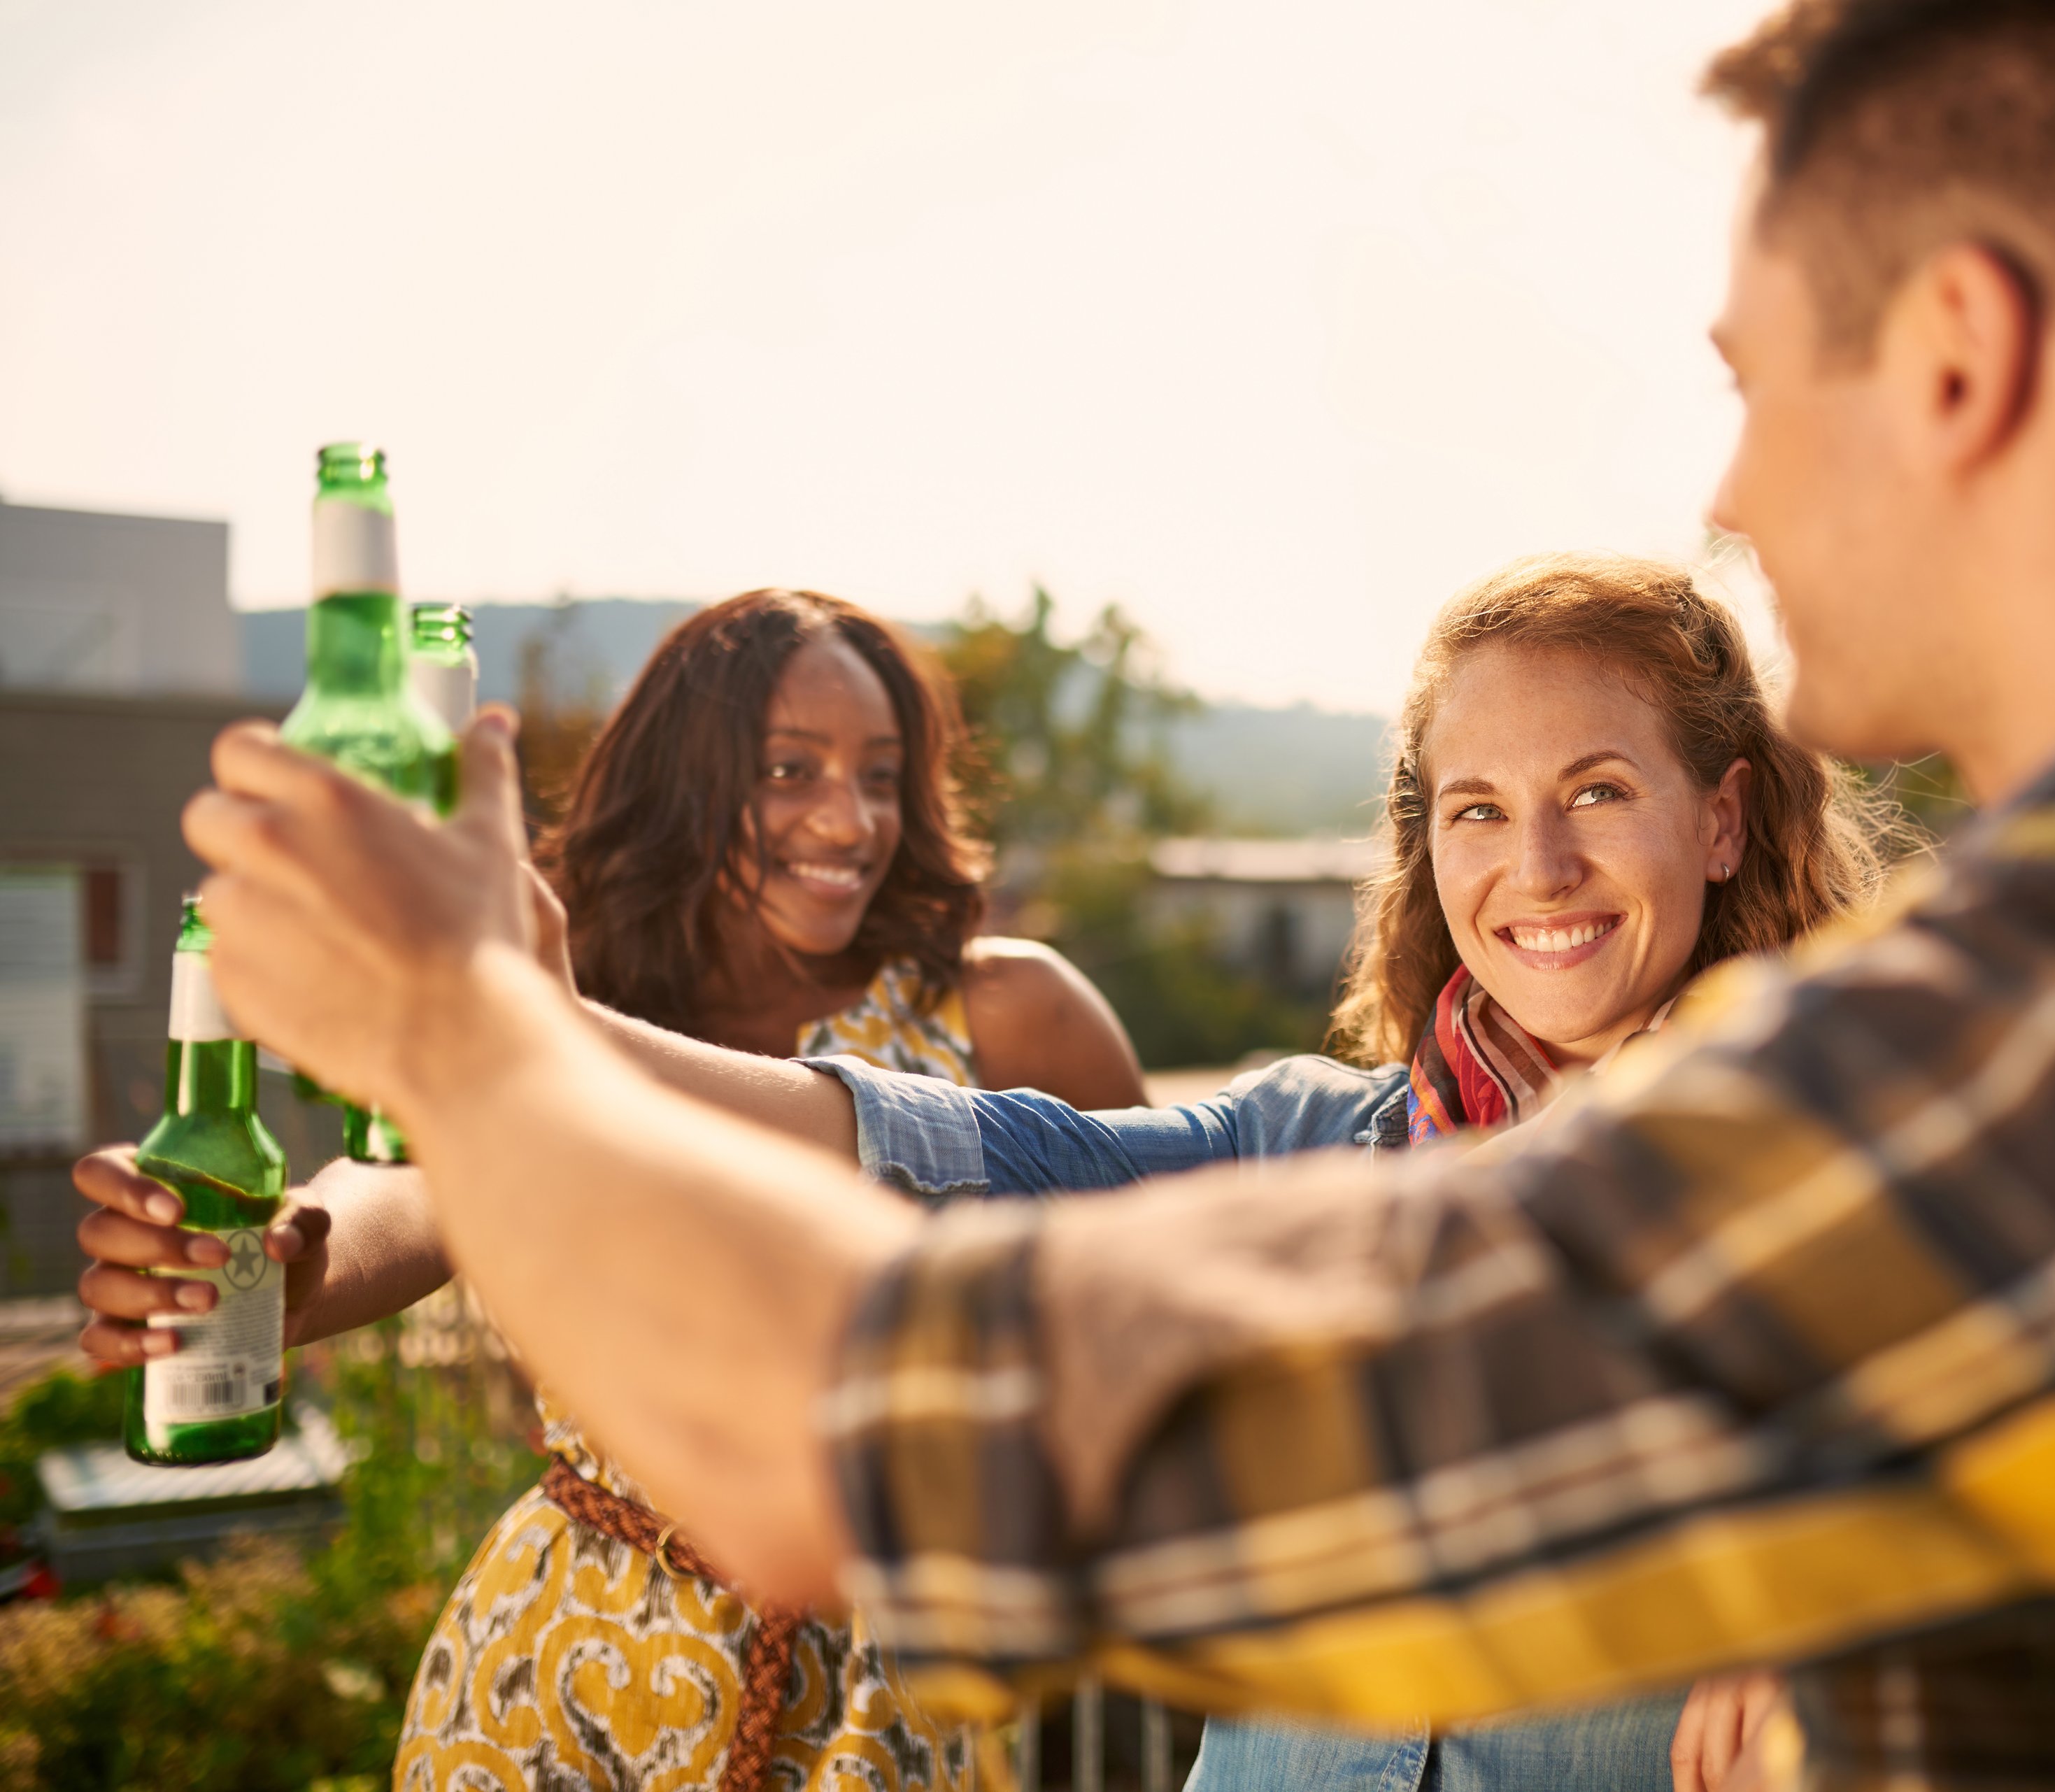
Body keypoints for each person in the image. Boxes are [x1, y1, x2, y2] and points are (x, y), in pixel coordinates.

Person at [162, 0, 2055, 1784]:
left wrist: (456, 1019)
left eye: (1754, 372)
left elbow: (886, 1453)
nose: (1737, 498)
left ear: (1957, 356)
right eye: (1472, 808)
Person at [80, 553, 1858, 1790]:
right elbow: (958, 1157)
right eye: (1476, 807)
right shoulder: (1318, 1139)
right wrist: (503, 1027)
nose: (1534, 862)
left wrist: (1826, 1597)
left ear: (1722, 816)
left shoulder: (1844, 1169)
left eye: (1600, 790)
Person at [78, 587, 1143, 1792]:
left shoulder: (1010, 1012)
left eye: (883, 775)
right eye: (790, 770)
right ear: (685, 785)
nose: (849, 819)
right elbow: (412, 1181)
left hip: (878, 1709)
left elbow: (1177, 1288)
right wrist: (296, 1261)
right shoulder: (570, 999)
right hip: (551, 1681)